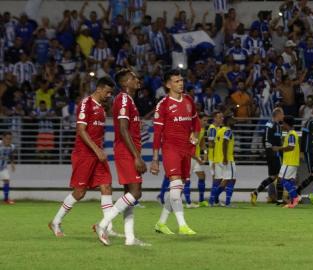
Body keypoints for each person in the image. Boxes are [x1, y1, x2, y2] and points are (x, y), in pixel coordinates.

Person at [48, 77, 115, 237]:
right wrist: (97, 150)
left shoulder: (101, 108)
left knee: (106, 186)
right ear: (99, 89)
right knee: (79, 192)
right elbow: (81, 130)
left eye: (111, 93)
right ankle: (55, 222)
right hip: (84, 154)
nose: (109, 95)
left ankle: (106, 226)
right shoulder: (86, 104)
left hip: (97, 154)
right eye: (107, 92)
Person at [94, 69, 149, 246]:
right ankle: (102, 225)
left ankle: (130, 238)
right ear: (125, 83)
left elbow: (126, 127)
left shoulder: (127, 100)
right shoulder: (124, 99)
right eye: (133, 78)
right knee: (135, 193)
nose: (137, 79)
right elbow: (123, 129)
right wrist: (136, 157)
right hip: (126, 151)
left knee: (129, 195)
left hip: (127, 150)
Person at [150, 69, 200, 235]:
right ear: (168, 84)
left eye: (181, 80)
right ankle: (182, 225)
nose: (181, 83)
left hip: (186, 150)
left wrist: (195, 136)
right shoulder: (163, 105)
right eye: (177, 81)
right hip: (171, 149)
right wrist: (155, 159)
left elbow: (196, 122)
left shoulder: (188, 100)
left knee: (176, 190)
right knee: (176, 185)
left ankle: (161, 223)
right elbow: (157, 134)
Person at [250, 108, 284, 206]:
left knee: (273, 177)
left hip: (273, 154)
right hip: (273, 154)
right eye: (282, 114)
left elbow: (272, 140)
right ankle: (280, 200)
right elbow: (267, 140)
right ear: (277, 114)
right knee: (279, 176)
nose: (283, 116)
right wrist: (271, 150)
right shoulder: (272, 125)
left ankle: (255, 192)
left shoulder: (274, 125)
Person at [272, 115, 300, 208]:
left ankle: (295, 197)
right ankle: (293, 201)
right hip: (292, 161)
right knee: (290, 182)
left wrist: (278, 148)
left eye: (283, 123)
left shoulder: (291, 134)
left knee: (282, 180)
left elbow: (291, 147)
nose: (282, 125)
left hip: (290, 161)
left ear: (286, 124)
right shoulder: (291, 133)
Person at [210, 116, 236, 207]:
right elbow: (225, 142)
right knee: (231, 180)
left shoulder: (219, 131)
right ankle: (226, 202)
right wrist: (225, 157)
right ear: (228, 121)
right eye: (232, 119)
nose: (234, 121)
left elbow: (214, 145)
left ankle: (212, 199)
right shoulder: (228, 130)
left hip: (218, 159)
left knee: (223, 180)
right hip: (227, 159)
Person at [296, 106, 313, 194]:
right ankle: (298, 190)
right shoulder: (309, 122)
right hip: (309, 151)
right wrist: (301, 151)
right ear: (312, 113)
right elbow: (303, 136)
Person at [190, 113, 209, 207]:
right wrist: (198, 159)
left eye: (207, 121)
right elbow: (189, 147)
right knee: (186, 179)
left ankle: (201, 200)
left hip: (196, 157)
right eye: (204, 120)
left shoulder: (202, 130)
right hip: (189, 157)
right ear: (199, 120)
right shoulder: (193, 130)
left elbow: (202, 143)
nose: (206, 122)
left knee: (202, 176)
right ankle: (188, 202)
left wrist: (205, 153)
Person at [208, 111, 224, 206]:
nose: (221, 119)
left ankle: (215, 200)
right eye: (219, 117)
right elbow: (211, 144)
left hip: (218, 157)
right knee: (217, 180)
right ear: (214, 118)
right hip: (214, 158)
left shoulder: (219, 128)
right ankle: (212, 200)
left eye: (222, 117)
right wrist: (213, 160)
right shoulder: (212, 129)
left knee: (219, 179)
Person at [0, 132, 16, 204]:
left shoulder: (11, 146)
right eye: (7, 138)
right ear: (3, 138)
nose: (9, 140)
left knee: (6, 180)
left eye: (10, 139)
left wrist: (12, 163)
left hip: (3, 167)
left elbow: (11, 154)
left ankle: (6, 199)